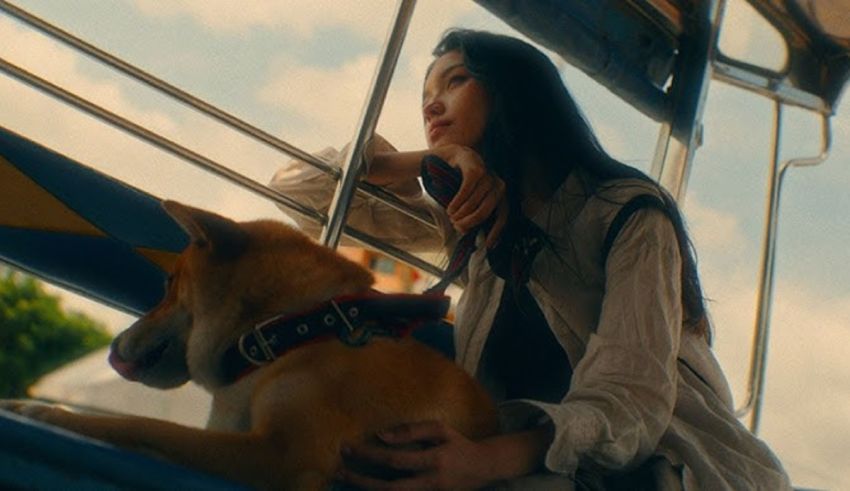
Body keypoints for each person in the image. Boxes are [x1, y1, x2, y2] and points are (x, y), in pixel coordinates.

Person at [270, 29, 791, 490]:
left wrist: (479, 461)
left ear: (514, 93)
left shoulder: (627, 212)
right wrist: (423, 161)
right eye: (425, 95)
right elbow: (299, 191)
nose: (430, 107)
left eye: (455, 82)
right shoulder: (469, 224)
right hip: (515, 467)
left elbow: (630, 403)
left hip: (665, 467)